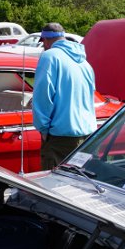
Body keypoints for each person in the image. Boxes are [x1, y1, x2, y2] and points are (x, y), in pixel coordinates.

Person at [31, 22, 97, 170]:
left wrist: (43, 129)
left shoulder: (49, 56)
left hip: (61, 137)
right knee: (82, 180)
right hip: (88, 134)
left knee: (55, 181)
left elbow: (43, 96)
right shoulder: (85, 63)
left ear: (45, 40)